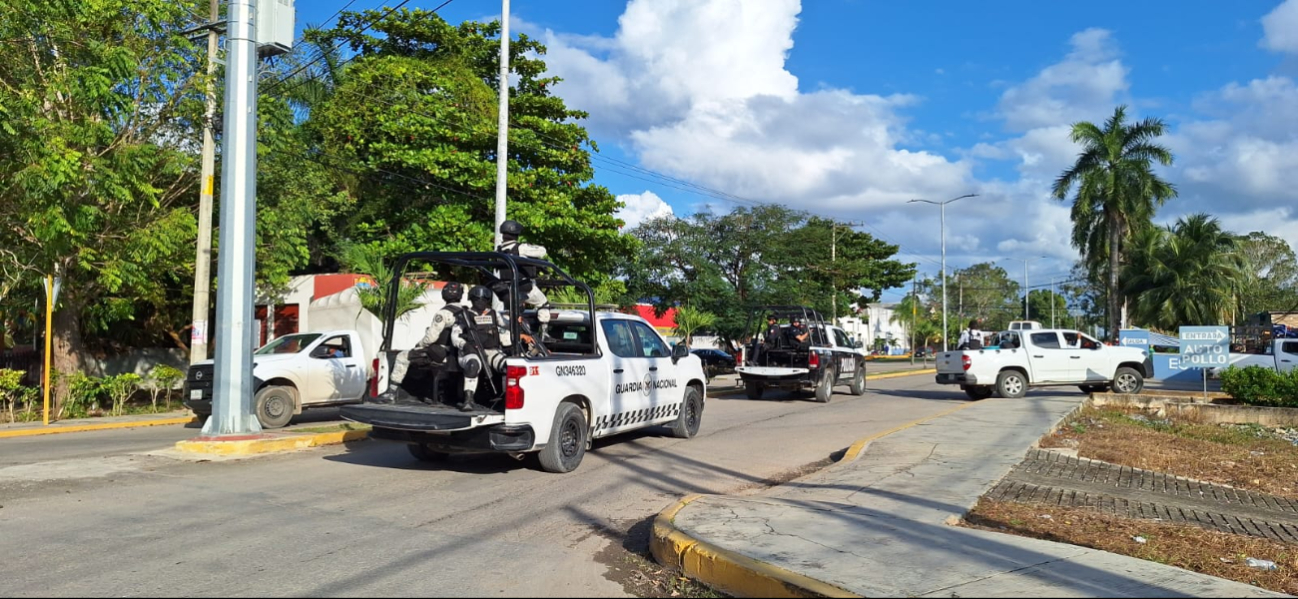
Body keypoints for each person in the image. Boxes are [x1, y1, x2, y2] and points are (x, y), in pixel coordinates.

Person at [377, 282, 466, 403]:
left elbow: (431, 337)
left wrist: (419, 345)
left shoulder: (443, 313)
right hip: (457, 354)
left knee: (403, 356)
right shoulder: (465, 312)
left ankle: (391, 392)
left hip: (441, 353)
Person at [451, 285, 512, 412]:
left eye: (484, 300)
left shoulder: (493, 314)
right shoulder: (465, 315)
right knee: (472, 365)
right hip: (471, 351)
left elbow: (507, 325)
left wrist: (517, 324)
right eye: (477, 299)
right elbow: (455, 335)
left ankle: (507, 398)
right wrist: (464, 345)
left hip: (492, 351)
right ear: (472, 300)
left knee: (509, 365)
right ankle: (468, 400)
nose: (481, 302)